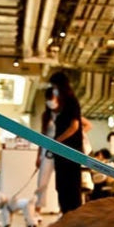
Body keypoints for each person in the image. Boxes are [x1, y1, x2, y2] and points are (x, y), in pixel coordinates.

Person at [49, 72, 84, 214]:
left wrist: (58, 141)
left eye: (54, 86)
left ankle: (72, 217)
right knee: (63, 186)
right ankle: (66, 215)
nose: (53, 90)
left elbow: (74, 126)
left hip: (70, 152)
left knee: (70, 187)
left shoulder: (71, 102)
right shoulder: (63, 105)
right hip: (62, 153)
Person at [35, 87, 58, 218]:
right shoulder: (46, 116)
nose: (51, 101)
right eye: (49, 98)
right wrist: (38, 155)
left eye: (53, 97)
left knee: (61, 182)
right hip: (46, 150)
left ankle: (63, 210)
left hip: (61, 149)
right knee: (42, 181)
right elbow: (42, 136)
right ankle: (38, 210)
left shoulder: (64, 113)